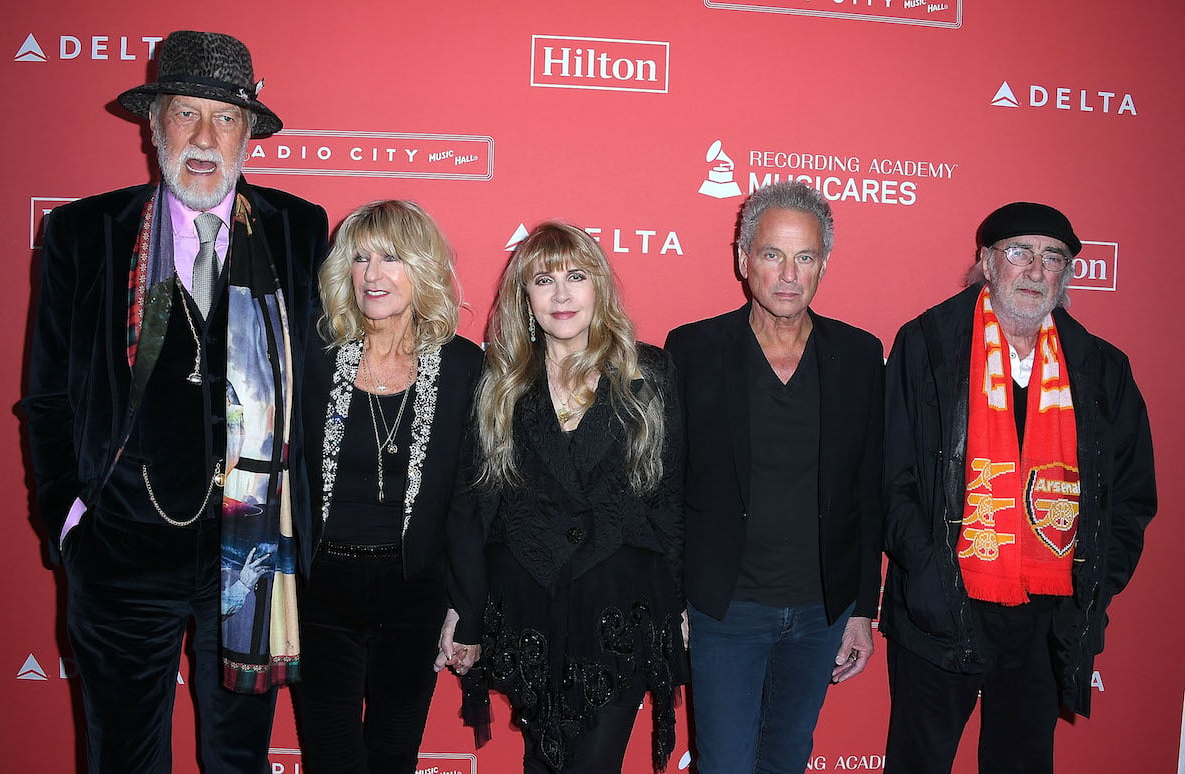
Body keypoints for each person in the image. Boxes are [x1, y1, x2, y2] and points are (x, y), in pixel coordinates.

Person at [22, 30, 328, 773]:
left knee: (237, 758)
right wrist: (71, 520)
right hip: (120, 548)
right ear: (153, 124)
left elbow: (324, 386)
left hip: (251, 548)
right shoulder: (84, 233)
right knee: (123, 758)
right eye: (185, 114)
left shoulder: (298, 229)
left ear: (249, 134)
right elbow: (47, 396)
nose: (204, 137)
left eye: (225, 118)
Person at [879, 202, 1157, 773]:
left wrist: (1093, 584)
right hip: (942, 602)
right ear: (985, 261)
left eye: (1052, 257)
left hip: (1047, 614)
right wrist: (929, 579)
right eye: (1018, 253)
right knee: (919, 762)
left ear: (1067, 273)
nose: (1035, 270)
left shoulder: (1102, 369)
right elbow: (891, 478)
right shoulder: (928, 346)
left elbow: (1131, 496)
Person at [451, 222, 688, 773]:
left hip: (620, 605)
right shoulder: (499, 381)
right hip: (529, 602)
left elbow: (668, 497)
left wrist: (676, 603)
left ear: (598, 287)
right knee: (543, 762)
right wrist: (462, 609)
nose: (561, 295)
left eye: (576, 277)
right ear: (524, 296)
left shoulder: (647, 372)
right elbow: (478, 503)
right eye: (544, 279)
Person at [664, 181, 884, 774]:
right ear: (742, 259)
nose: (789, 274)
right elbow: (667, 487)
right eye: (771, 254)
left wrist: (863, 607)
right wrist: (673, 596)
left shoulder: (860, 356)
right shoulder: (692, 350)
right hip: (724, 609)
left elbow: (870, 491)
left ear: (824, 264)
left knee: (786, 760)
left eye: (805, 256)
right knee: (726, 764)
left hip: (821, 611)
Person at [295, 200, 483, 773]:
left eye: (391, 258)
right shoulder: (313, 354)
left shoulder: (462, 367)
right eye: (360, 258)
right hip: (320, 588)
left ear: (422, 267)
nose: (372, 273)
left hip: (414, 591)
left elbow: (466, 502)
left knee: (394, 757)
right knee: (331, 759)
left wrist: (467, 611)